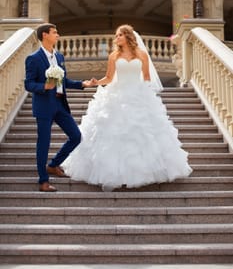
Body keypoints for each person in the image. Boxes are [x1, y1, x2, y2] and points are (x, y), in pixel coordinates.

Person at [62, 24, 192, 191]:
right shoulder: (114, 56)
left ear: (128, 36)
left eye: (119, 35)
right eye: (116, 36)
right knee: (113, 132)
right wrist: (95, 82)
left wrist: (145, 96)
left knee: (143, 135)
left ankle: (146, 172)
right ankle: (115, 173)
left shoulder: (142, 54)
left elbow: (146, 77)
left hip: (137, 94)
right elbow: (109, 78)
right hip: (116, 95)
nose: (116, 38)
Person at [24, 23, 95, 192]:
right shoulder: (33, 58)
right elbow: (28, 84)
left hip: (60, 104)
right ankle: (43, 181)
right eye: (55, 32)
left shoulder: (60, 57)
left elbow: (64, 81)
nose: (58, 35)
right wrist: (44, 87)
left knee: (76, 136)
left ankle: (54, 164)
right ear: (45, 36)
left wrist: (83, 84)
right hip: (44, 106)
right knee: (44, 143)